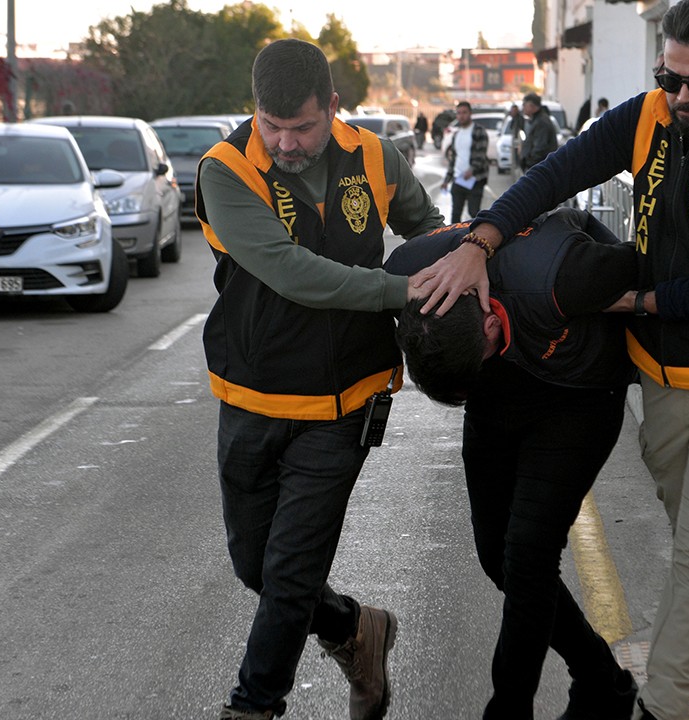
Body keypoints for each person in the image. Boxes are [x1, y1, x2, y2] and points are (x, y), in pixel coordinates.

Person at [407, 1, 689, 718]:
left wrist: (638, 303)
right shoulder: (650, 115)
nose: (681, 96)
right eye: (670, 76)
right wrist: (481, 241)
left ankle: (659, 705)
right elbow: (553, 175)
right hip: (662, 384)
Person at [195, 38, 444, 720]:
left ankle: (253, 706)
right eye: (271, 126)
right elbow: (292, 272)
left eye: (301, 127)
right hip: (249, 397)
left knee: (289, 572)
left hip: (346, 401)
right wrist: (402, 291)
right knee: (256, 566)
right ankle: (353, 630)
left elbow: (428, 232)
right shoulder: (225, 171)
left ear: (333, 107)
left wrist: (459, 262)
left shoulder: (375, 156)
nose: (284, 141)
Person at [384, 208, 640, 719]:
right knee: (494, 554)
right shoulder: (406, 273)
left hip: (577, 394)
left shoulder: (564, 274)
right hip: (499, 393)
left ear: (489, 315)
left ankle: (509, 708)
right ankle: (601, 680)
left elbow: (650, 264)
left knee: (528, 556)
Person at [440, 101, 490, 223]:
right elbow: (454, 159)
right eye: (459, 113)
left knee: (474, 213)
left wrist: (471, 170)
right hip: (458, 179)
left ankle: (475, 240)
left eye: (464, 113)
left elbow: (481, 155)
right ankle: (455, 241)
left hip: (475, 179)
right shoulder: (456, 135)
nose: (461, 116)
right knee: (455, 214)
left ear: (470, 114)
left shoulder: (479, 131)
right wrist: (447, 180)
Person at [518, 93, 558, 171]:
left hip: (539, 168)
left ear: (532, 106)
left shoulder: (541, 122)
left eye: (524, 105)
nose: (523, 108)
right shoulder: (537, 120)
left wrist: (529, 163)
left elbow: (540, 148)